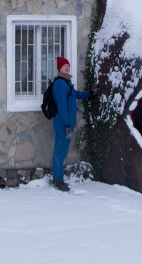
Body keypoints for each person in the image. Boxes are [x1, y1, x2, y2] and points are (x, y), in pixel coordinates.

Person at [51, 56, 93, 192]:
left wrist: (91, 93)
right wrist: (67, 124)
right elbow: (62, 107)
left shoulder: (67, 82)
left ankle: (59, 178)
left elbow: (76, 95)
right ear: (59, 68)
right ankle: (57, 180)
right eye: (64, 66)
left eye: (68, 65)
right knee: (60, 149)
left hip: (68, 124)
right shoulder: (59, 84)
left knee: (63, 149)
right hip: (63, 124)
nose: (67, 67)